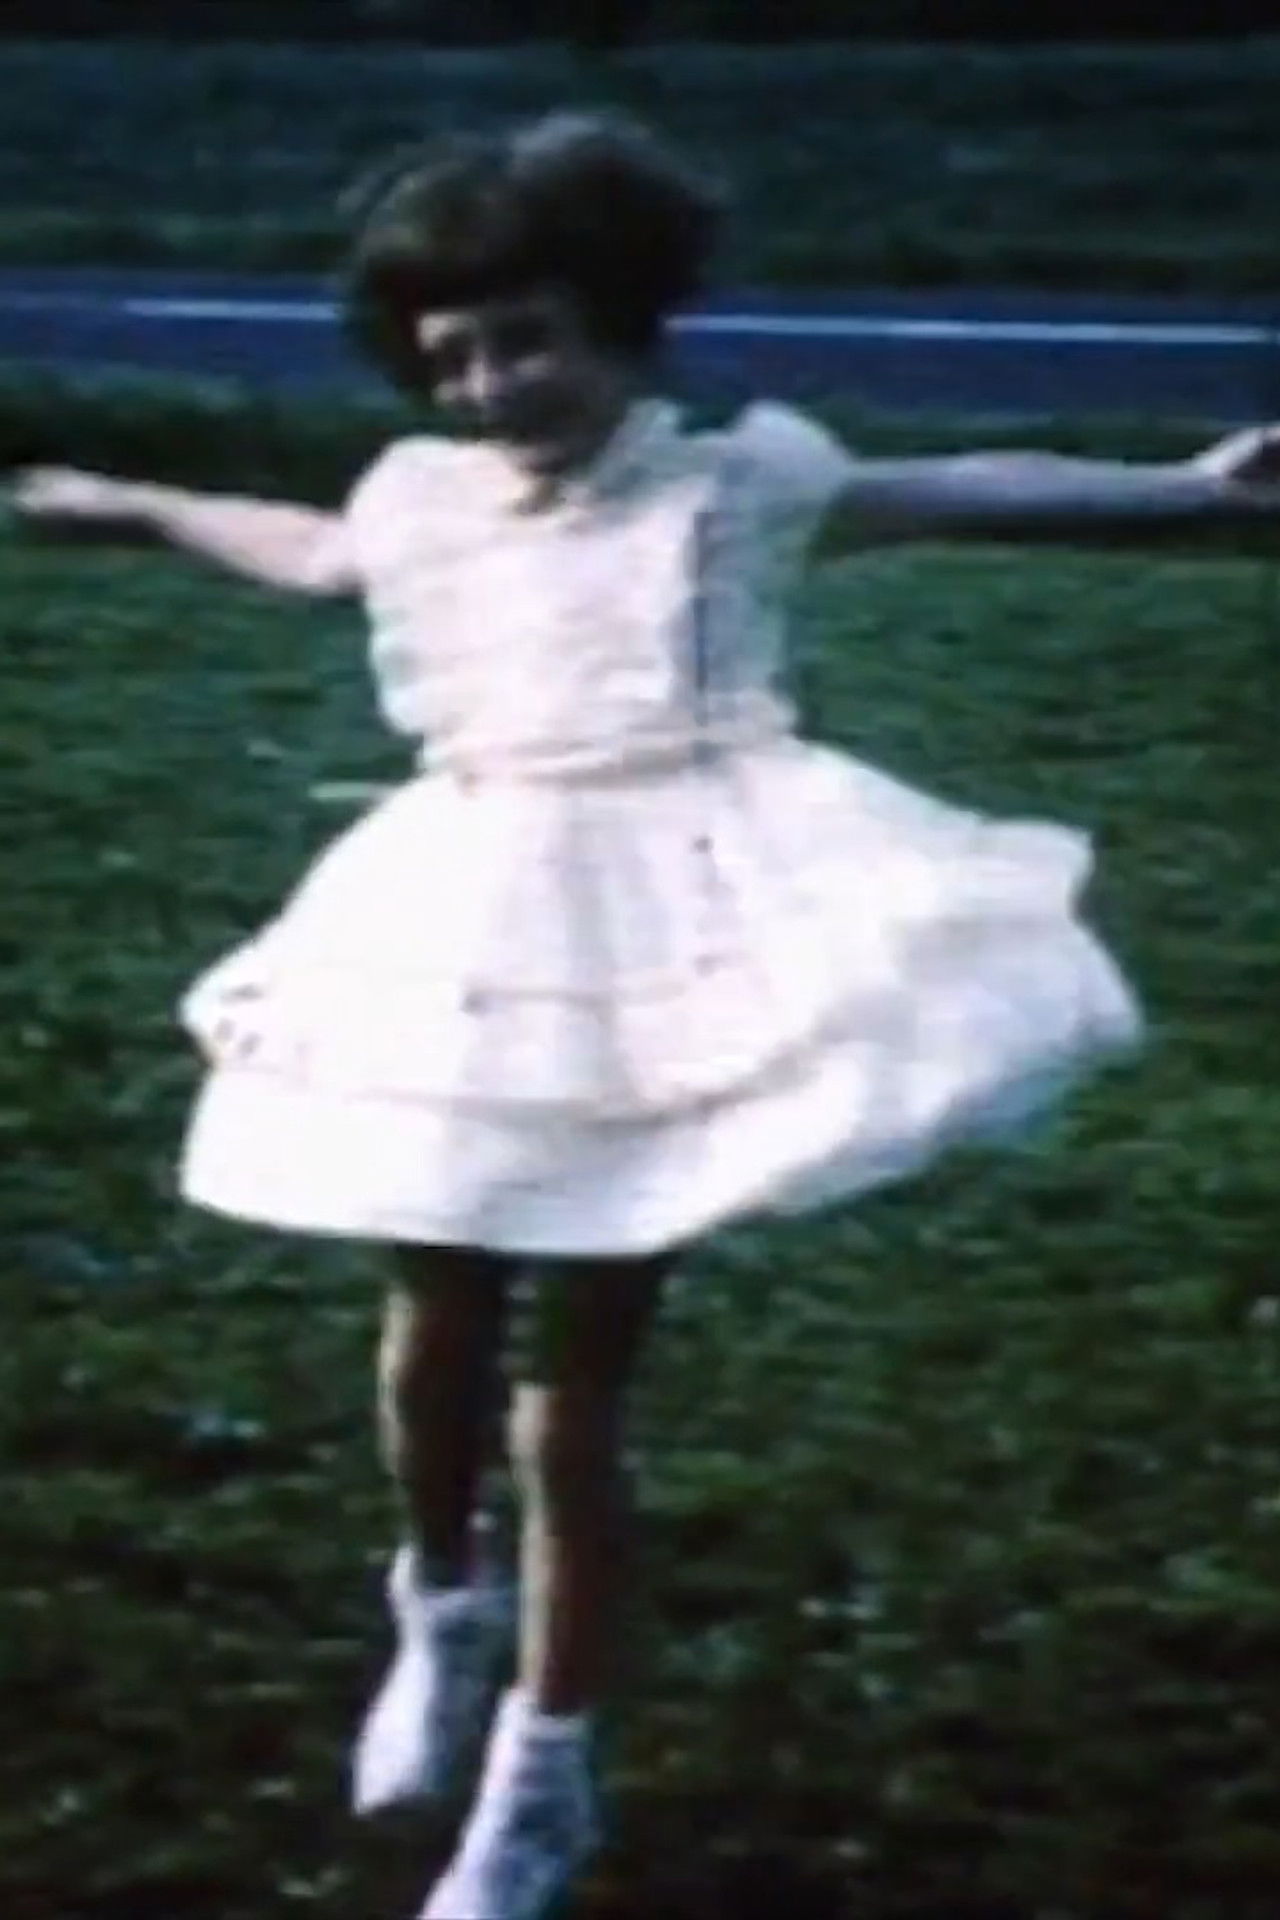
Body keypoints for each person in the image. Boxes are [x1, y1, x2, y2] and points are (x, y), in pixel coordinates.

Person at [10, 109, 1280, 1920]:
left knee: (571, 1394)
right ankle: (441, 1601)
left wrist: (1190, 489)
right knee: (432, 1322)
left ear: (619, 320)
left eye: (527, 340)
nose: (492, 386)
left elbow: (960, 483)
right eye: (452, 357)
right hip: (461, 915)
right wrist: (136, 501)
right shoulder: (422, 499)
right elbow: (299, 547)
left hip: (679, 924)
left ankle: (545, 1768)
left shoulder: (737, 482)